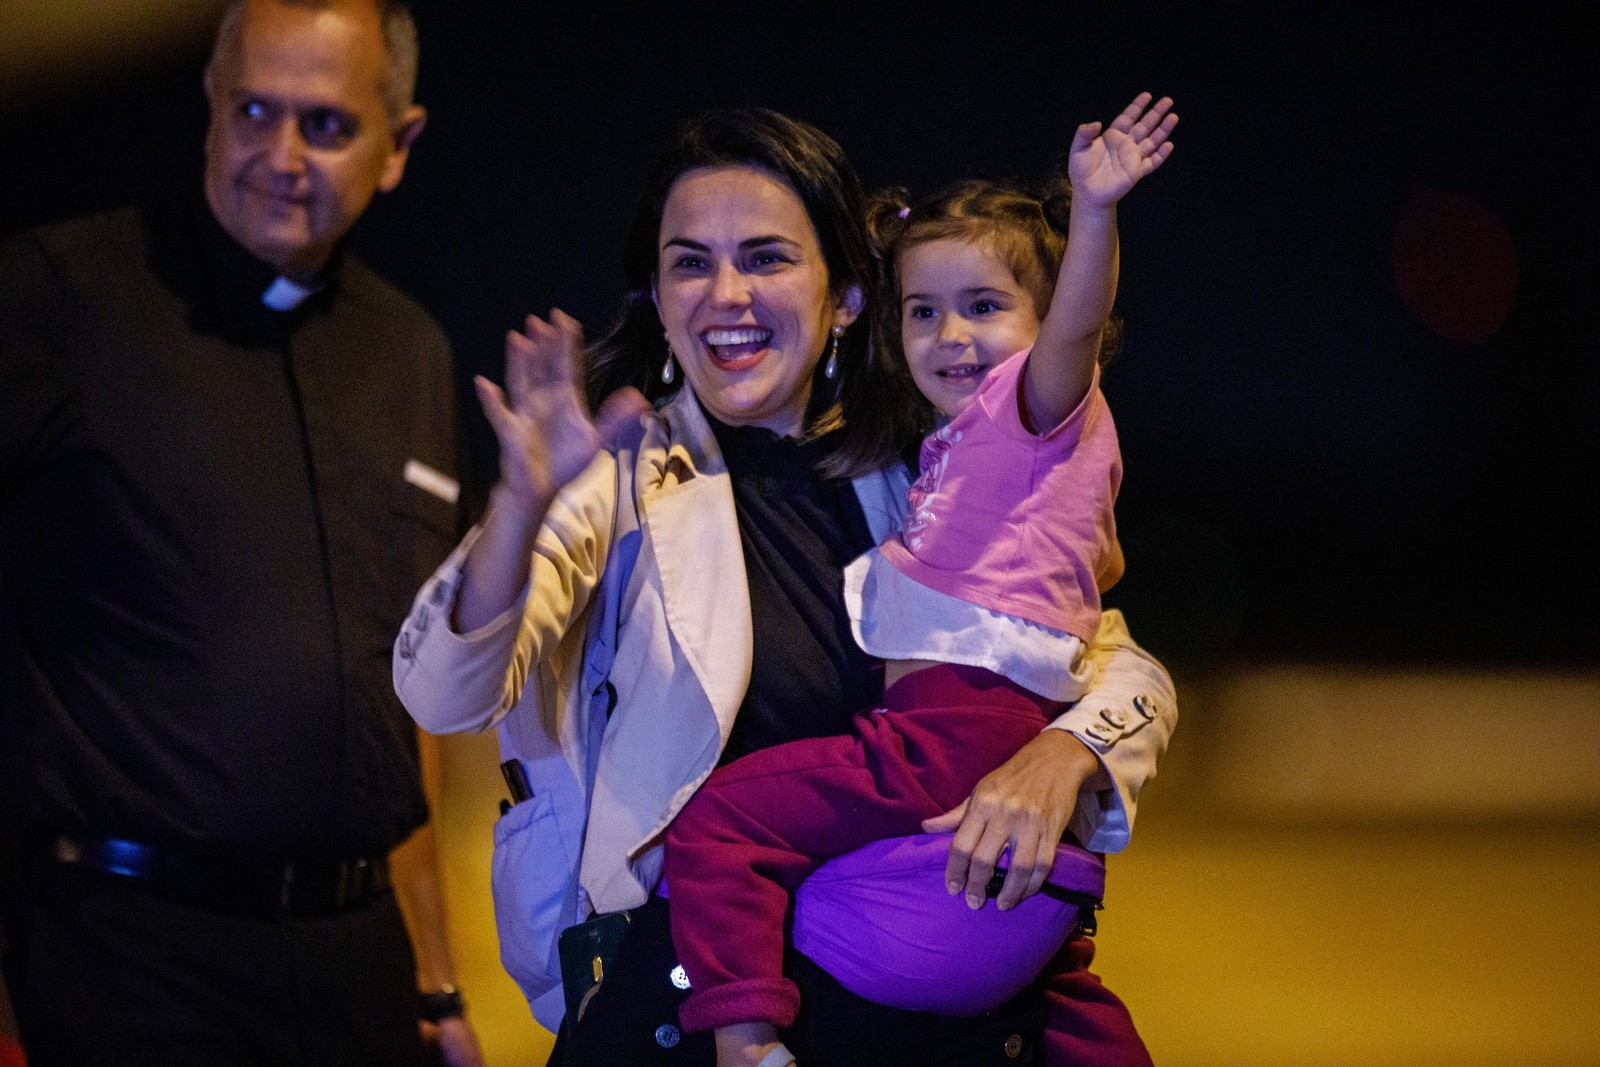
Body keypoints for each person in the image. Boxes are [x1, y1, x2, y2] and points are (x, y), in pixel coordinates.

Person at [395, 107, 1176, 1066]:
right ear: (657, 294)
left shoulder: (930, 468)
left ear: (847, 294)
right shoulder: (610, 478)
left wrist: (1065, 753)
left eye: (765, 257)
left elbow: (1121, 667)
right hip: (680, 993)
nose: (727, 292)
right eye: (690, 262)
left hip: (901, 987)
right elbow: (442, 691)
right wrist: (518, 504)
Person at [0, 2, 484, 1064]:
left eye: (323, 124)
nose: (278, 155)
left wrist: (438, 981)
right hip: (125, 949)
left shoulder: (409, 351)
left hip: (358, 958)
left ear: (397, 147)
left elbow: (400, 697)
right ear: (209, 112)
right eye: (252, 110)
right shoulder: (58, 294)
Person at [662, 94, 1177, 1067]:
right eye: (923, 311)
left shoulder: (1030, 414)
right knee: (1047, 953)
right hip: (976, 735)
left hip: (955, 724)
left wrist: (1094, 209)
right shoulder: (943, 451)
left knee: (719, 819)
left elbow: (1071, 331)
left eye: (985, 307)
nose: (951, 337)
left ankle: (740, 1035)